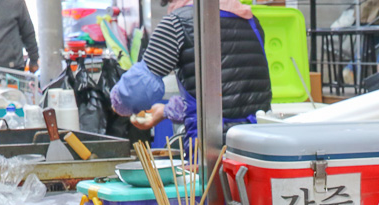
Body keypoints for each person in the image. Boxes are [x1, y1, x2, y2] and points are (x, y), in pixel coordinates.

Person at [110, 0, 271, 139]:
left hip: (211, 148)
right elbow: (227, 97)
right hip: (255, 145)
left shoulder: (177, 23)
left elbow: (134, 95)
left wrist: (117, 102)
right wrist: (166, 110)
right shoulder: (251, 22)